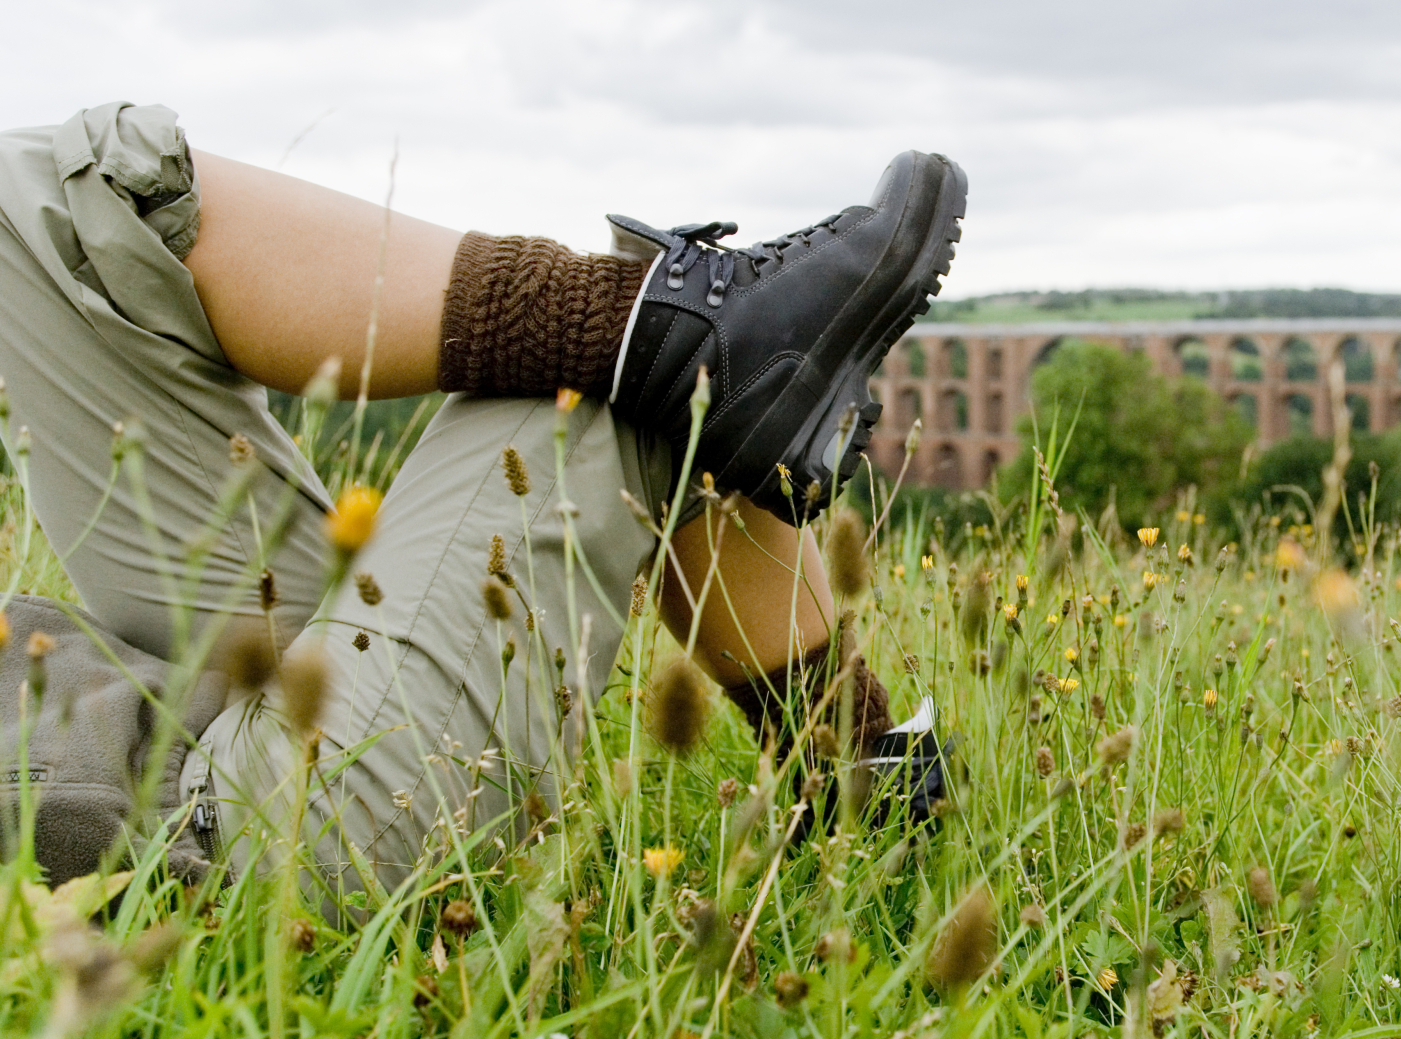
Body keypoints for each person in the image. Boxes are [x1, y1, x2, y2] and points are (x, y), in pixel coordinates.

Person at [0, 101, 962, 899]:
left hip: (184, 701)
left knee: (33, 198)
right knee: (600, 383)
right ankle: (858, 755)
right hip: (240, 829)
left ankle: (669, 321)